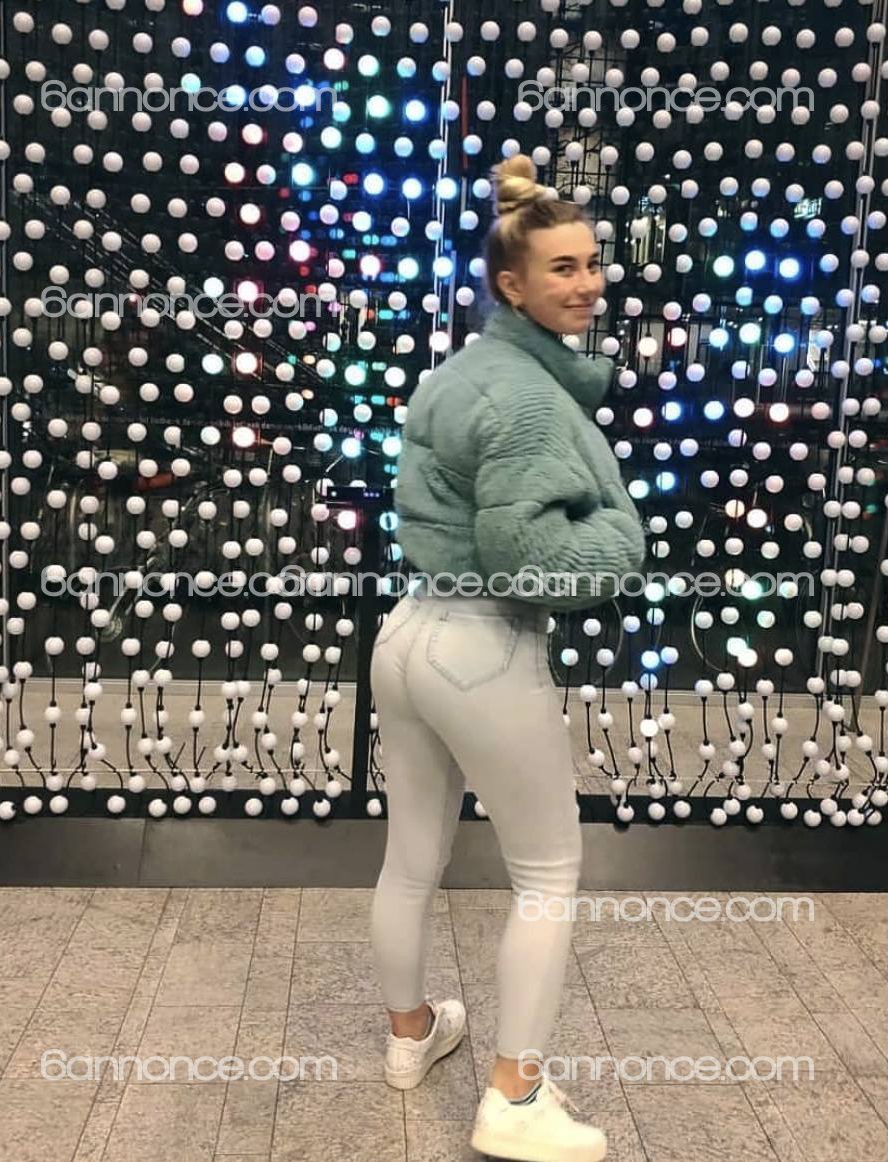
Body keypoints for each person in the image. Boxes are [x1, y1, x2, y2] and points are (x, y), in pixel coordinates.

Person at [368, 153, 647, 1162]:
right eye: (562, 268)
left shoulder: (456, 374)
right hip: (483, 642)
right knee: (547, 871)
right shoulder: (528, 400)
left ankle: (410, 1037)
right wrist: (623, 536)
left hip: (407, 633)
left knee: (412, 857)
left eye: (592, 263)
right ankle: (514, 1097)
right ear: (511, 285)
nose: (587, 283)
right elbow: (534, 560)